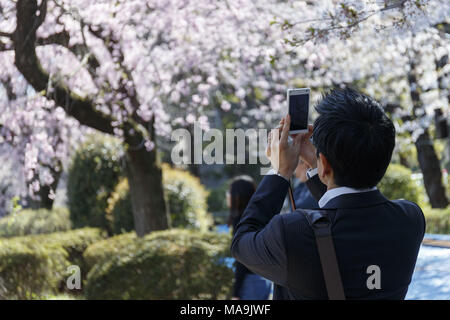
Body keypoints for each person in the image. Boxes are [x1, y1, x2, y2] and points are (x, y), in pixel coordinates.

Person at [231, 88, 425, 299]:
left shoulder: (293, 233)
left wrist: (280, 171)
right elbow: (348, 211)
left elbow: (242, 242)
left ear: (324, 163)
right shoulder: (410, 219)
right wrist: (320, 166)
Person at [226, 176, 272, 300]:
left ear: (238, 196)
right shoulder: (258, 217)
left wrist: (236, 292)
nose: (227, 195)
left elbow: (242, 260)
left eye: (230, 191)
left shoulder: (241, 221)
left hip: (250, 282)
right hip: (265, 279)